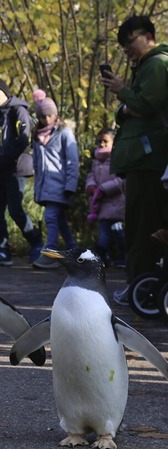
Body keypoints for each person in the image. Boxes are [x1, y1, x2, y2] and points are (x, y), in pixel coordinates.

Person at [101, 15, 168, 305]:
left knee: (145, 226)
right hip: (141, 161)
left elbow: (147, 103)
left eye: (129, 41)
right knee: (140, 223)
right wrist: (128, 104)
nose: (126, 48)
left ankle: (143, 283)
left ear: (147, 36)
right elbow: (129, 111)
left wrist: (123, 91)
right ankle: (139, 281)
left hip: (149, 160)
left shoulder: (156, 64)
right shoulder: (144, 66)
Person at [0, 78, 43, 266]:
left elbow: (22, 141)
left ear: (5, 92)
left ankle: (36, 243)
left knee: (15, 210)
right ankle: (3, 251)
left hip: (16, 169)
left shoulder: (19, 111)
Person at [31, 98, 79, 269]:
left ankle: (51, 252)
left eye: (50, 115)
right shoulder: (37, 137)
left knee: (51, 217)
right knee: (59, 220)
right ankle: (74, 252)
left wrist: (70, 186)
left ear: (56, 113)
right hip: (45, 186)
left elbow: (72, 161)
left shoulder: (64, 133)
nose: (47, 120)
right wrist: (37, 189)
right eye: (43, 117)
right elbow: (36, 164)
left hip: (61, 184)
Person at [85, 128, 126, 268]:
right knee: (103, 235)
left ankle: (122, 257)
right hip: (101, 205)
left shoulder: (117, 159)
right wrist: (91, 186)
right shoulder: (96, 161)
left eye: (105, 141)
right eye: (100, 141)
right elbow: (91, 175)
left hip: (115, 204)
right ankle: (103, 258)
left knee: (118, 232)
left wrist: (104, 188)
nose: (102, 144)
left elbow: (121, 180)